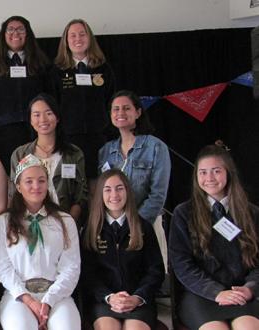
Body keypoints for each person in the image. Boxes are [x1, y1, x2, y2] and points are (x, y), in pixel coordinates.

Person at [169, 145, 259, 330]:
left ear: (229, 173)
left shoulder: (252, 213)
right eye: (203, 172)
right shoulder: (184, 213)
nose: (209, 178)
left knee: (249, 327)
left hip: (241, 293)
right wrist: (216, 293)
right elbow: (181, 264)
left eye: (216, 171)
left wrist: (250, 288)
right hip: (201, 296)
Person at [0, 154, 81, 330]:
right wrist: (29, 300)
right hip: (18, 295)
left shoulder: (65, 221)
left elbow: (71, 267)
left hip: (57, 295)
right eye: (29, 181)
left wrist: (48, 301)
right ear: (18, 186)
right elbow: (3, 267)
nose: (36, 186)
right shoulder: (3, 222)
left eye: (41, 181)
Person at [81, 169, 164, 330]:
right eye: (108, 189)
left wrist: (138, 297)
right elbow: (87, 274)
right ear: (100, 195)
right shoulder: (90, 229)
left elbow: (155, 270)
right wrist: (109, 297)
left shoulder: (143, 226)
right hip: (104, 302)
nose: (114, 195)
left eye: (119, 188)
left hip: (138, 301)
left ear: (127, 191)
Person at [98, 90, 171, 264]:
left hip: (147, 223)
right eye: (115, 109)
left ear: (138, 112)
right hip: (113, 228)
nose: (120, 113)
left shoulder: (156, 147)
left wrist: (135, 224)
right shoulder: (105, 151)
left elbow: (158, 195)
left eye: (126, 108)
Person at [0, 15, 52, 173]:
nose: (15, 34)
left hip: (32, 133)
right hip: (1, 134)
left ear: (28, 34)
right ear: (3, 35)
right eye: (10, 30)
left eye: (20, 29)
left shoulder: (41, 64)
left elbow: (49, 98)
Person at [52, 19, 116, 179]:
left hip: (99, 138)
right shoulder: (56, 71)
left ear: (90, 38)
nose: (77, 39)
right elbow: (52, 105)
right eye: (72, 35)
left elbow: (111, 100)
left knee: (97, 182)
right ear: (66, 41)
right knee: (71, 183)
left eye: (82, 34)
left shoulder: (104, 69)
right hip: (68, 139)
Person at [10, 93, 88, 223]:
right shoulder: (19, 154)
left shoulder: (73, 153)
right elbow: (14, 193)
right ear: (30, 119)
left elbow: (81, 194)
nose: (43, 119)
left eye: (48, 113)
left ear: (57, 117)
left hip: (64, 220)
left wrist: (69, 222)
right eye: (36, 115)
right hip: (29, 222)